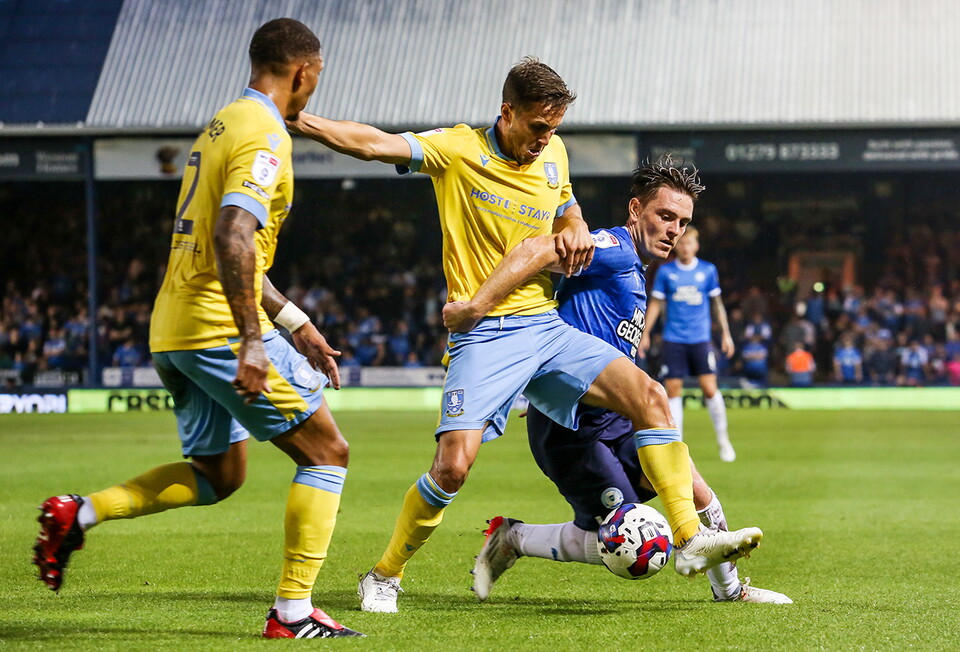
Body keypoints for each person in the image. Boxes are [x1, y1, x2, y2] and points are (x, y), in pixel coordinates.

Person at [289, 57, 763, 614]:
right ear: (507, 112)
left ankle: (689, 539)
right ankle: (383, 574)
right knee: (453, 467)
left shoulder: (553, 152)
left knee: (651, 398)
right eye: (538, 126)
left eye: (554, 128)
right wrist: (297, 118)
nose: (546, 139)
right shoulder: (458, 149)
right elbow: (373, 143)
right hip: (484, 332)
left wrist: (576, 221)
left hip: (545, 325)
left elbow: (564, 205)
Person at [31, 19, 362, 639]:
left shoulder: (222, 123)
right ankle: (292, 614)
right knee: (327, 454)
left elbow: (233, 247)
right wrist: (254, 339)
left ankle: (80, 514)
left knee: (219, 476)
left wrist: (295, 323)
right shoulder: (266, 133)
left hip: (174, 328)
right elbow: (235, 234)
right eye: (318, 77)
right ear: (304, 72)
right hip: (218, 328)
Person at [446, 158, 789, 604]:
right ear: (635, 210)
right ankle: (514, 538)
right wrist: (480, 304)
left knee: (696, 490)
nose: (674, 230)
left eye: (683, 222)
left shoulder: (636, 268)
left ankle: (731, 591)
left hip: (618, 419)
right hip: (570, 430)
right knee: (632, 545)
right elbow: (542, 251)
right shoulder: (614, 248)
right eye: (665, 216)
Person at [639, 226, 737, 462]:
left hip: (700, 339)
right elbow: (655, 304)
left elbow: (717, 304)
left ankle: (723, 441)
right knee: (673, 391)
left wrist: (726, 333)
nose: (685, 248)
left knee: (710, 389)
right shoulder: (666, 272)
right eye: (681, 244)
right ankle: (678, 446)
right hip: (673, 339)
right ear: (676, 246)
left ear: (696, 245)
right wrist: (645, 332)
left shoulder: (707, 271)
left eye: (689, 243)